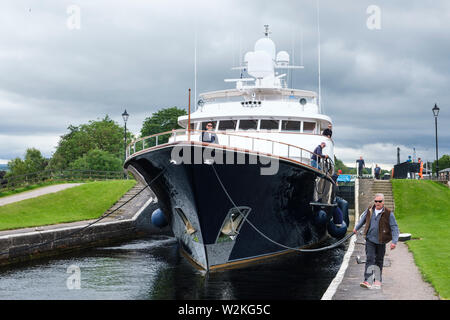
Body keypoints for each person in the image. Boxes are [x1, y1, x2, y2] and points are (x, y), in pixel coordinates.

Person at [353, 193, 399, 289]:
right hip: (370, 239)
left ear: (383, 202)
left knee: (379, 260)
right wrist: (356, 228)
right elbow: (363, 220)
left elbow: (394, 228)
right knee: (370, 258)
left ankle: (377, 280)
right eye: (376, 201)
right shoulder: (370, 210)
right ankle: (367, 281)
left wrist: (394, 241)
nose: (377, 203)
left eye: (380, 201)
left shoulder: (388, 213)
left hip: (381, 240)